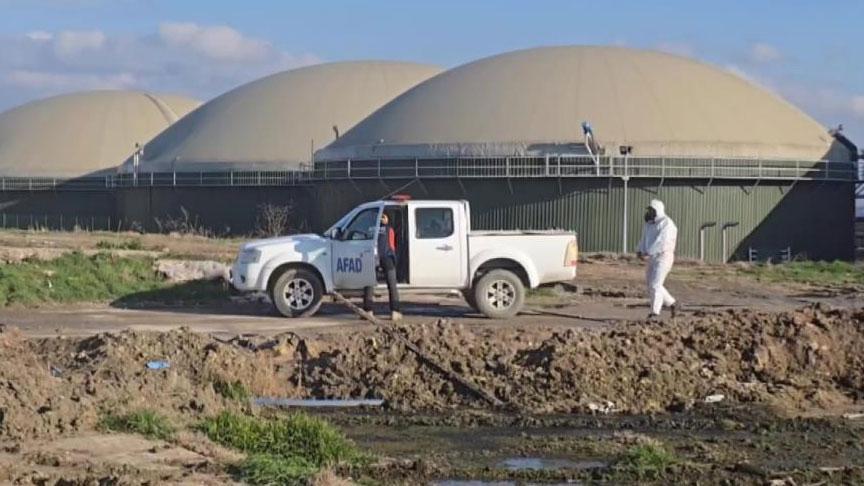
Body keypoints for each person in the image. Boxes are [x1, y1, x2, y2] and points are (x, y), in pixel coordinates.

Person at [636, 199, 678, 320]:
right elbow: (644, 239)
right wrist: (640, 250)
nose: (649, 213)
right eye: (649, 210)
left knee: (655, 284)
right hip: (652, 257)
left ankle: (654, 313)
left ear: (658, 211)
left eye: (651, 210)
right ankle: (672, 303)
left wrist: (648, 252)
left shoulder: (667, 224)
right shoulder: (649, 224)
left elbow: (662, 241)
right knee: (652, 285)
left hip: (664, 256)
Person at [363, 211, 402, 321]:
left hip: (373, 258)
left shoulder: (370, 229)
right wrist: (394, 260)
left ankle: (368, 311)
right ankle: (395, 311)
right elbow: (392, 245)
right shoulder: (389, 229)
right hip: (387, 258)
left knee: (369, 284)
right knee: (392, 285)